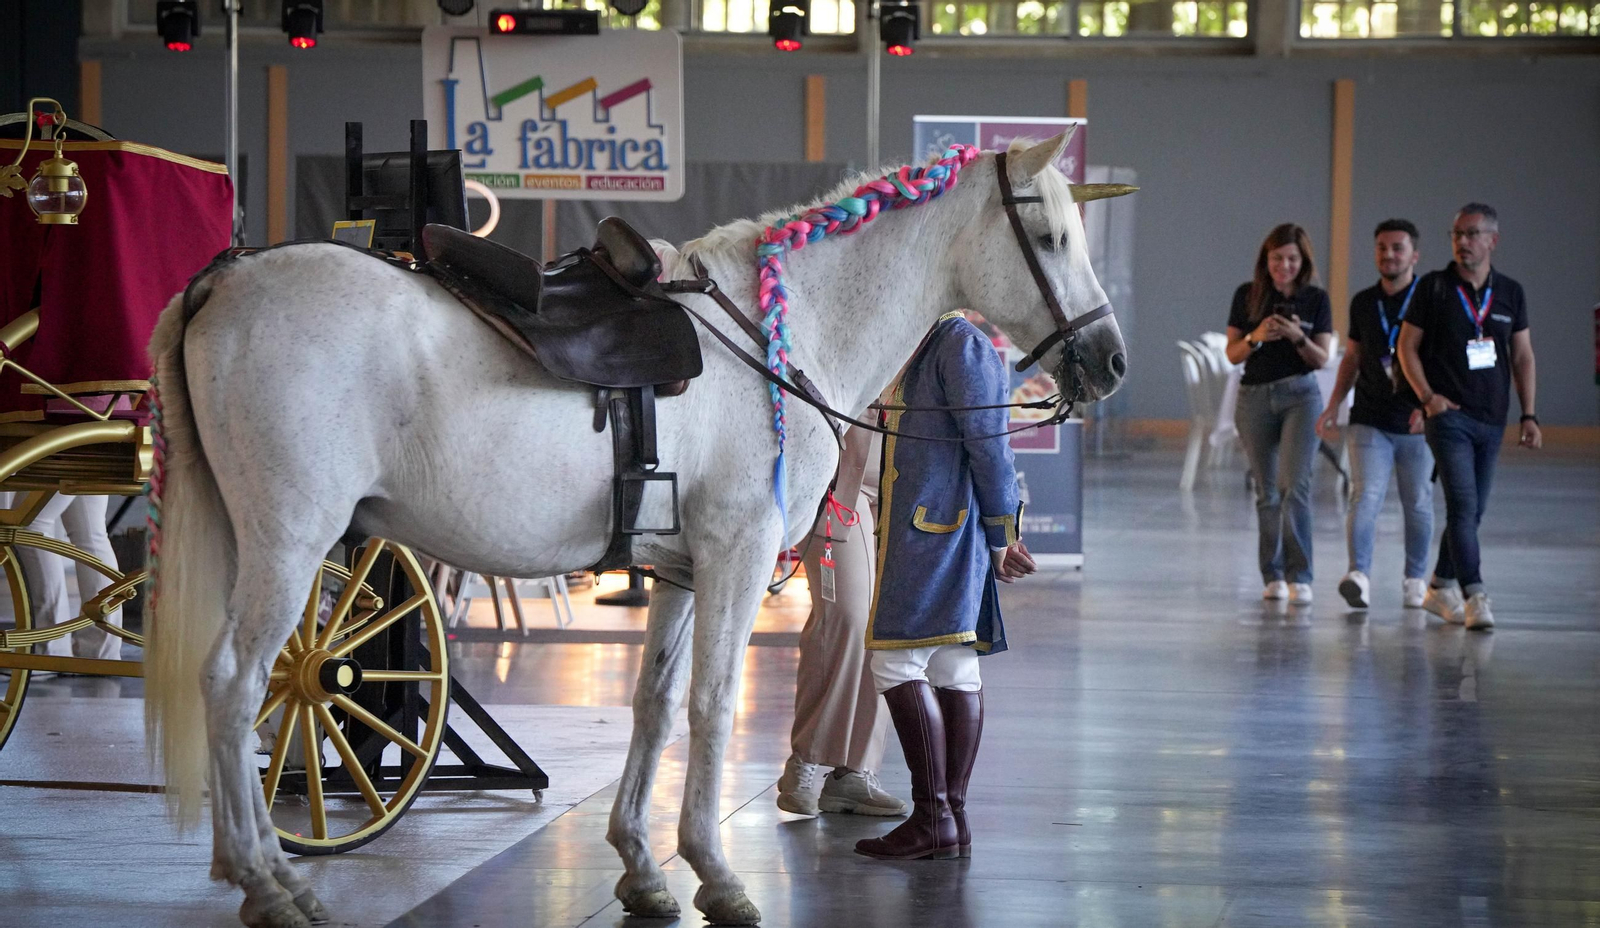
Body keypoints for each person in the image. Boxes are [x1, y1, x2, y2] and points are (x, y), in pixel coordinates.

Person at [855, 311, 1035, 862]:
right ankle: (949, 819)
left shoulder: (959, 343)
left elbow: (991, 446)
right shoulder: (914, 335)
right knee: (953, 666)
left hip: (938, 532)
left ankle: (934, 817)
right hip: (925, 528)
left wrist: (1003, 533)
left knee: (895, 662)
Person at [1397, 203, 1541, 631]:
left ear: (1492, 240)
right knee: (1462, 504)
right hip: (1448, 416)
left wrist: (1529, 414)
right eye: (1456, 234)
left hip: (1491, 418)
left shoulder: (1511, 293)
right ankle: (1474, 594)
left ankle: (1440, 584)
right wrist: (1427, 398)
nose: (1462, 242)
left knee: (1473, 511)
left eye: (1472, 234)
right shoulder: (1433, 288)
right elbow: (1406, 347)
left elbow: (1522, 356)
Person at [776, 426, 907, 818]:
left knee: (886, 626)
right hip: (837, 481)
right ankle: (805, 761)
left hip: (908, 486)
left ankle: (855, 772)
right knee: (845, 619)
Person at [1316, 219, 1434, 610]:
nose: (1389, 255)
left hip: (1418, 421)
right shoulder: (1364, 302)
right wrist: (1334, 404)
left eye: (1398, 248)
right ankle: (1358, 575)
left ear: (1414, 255)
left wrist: (1429, 404)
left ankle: (1416, 579)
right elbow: (1353, 356)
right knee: (1364, 496)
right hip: (1369, 418)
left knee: (1417, 500)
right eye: (1382, 247)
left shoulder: (1432, 298)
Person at [1225, 224, 1334, 604]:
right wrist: (1256, 336)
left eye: (1292, 259)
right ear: (1265, 260)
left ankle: (1299, 575)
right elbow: (1232, 353)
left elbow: (1323, 359)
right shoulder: (1248, 295)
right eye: (1277, 258)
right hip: (1254, 397)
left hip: (1300, 397)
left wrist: (1297, 336)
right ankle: (1272, 575)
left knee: (1294, 487)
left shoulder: (1316, 300)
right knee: (1266, 491)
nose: (1284, 266)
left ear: (1303, 262)